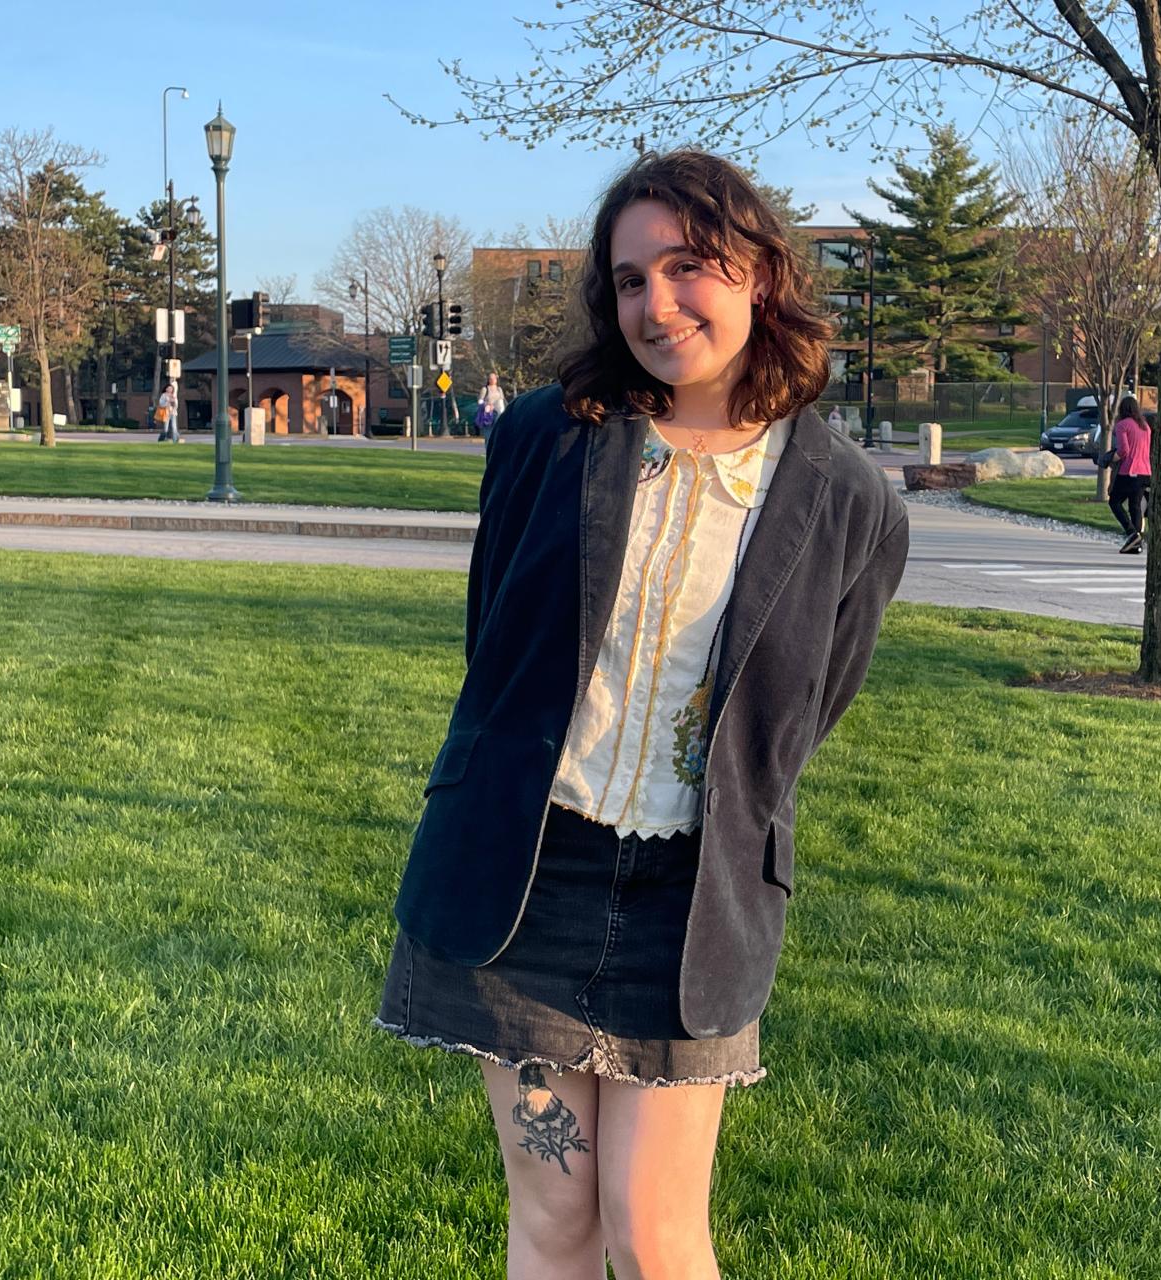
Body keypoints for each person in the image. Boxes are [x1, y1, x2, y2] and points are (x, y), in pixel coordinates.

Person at [374, 149, 908, 1279]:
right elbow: (499, 643)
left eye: (688, 267)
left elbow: (808, 707)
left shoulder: (847, 496)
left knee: (658, 1236)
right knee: (557, 1223)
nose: (655, 305)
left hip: (694, 897)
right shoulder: (545, 438)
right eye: (628, 280)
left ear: (759, 272)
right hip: (525, 874)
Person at [1105, 394, 1151, 553]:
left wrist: (1111, 458)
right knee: (1135, 506)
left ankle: (1132, 534)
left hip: (1129, 471)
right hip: (1145, 472)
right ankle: (1136, 544)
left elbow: (1124, 450)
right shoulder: (1145, 426)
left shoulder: (1122, 425)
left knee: (1114, 502)